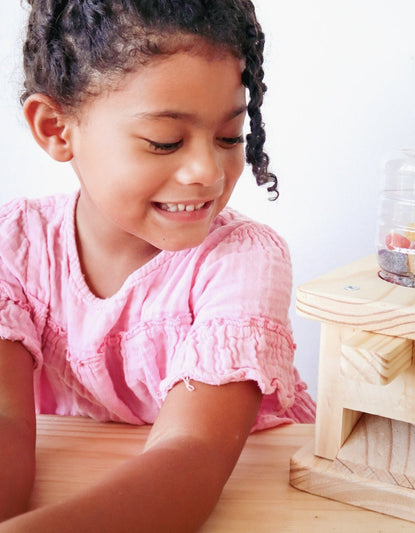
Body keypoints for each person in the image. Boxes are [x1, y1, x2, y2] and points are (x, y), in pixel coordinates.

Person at [0, 1, 315, 531]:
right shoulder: (17, 248)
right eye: (165, 142)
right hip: (91, 478)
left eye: (229, 137)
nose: (206, 172)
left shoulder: (241, 261)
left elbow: (193, 456)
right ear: (56, 127)